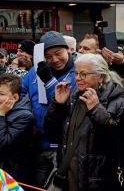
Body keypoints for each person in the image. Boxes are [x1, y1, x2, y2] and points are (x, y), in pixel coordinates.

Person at [45, 53, 124, 190]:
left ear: (100, 77)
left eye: (83, 74)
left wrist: (96, 110)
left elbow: (116, 139)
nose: (77, 78)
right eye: (76, 73)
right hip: (69, 175)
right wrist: (57, 104)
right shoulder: (73, 96)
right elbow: (51, 131)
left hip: (97, 179)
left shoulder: (117, 100)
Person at [21, 31, 76, 187]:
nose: (55, 60)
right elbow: (20, 94)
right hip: (38, 144)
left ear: (68, 50)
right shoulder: (33, 73)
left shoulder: (78, 73)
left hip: (65, 147)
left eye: (58, 53)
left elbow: (68, 104)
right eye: (48, 56)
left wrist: (50, 82)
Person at [0, 73, 34, 185]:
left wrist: (0, 115)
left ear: (15, 97)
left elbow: (1, 143)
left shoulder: (24, 116)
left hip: (11, 173)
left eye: (1, 94)